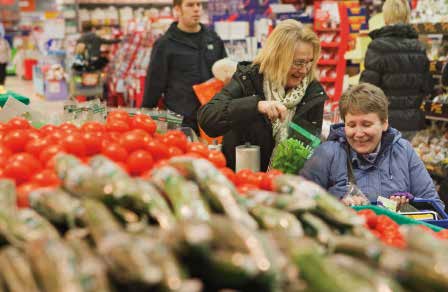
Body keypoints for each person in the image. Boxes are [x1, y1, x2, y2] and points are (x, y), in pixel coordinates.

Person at [198, 19, 327, 171]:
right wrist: (256, 105)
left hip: (287, 187)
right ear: (277, 58)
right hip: (244, 182)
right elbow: (208, 118)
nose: (305, 70)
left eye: (309, 62)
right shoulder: (248, 79)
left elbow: (309, 151)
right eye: (298, 63)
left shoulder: (313, 93)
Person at [300, 83, 443, 209]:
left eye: (366, 124)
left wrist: (409, 205)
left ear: (384, 123)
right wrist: (336, 205)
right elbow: (301, 200)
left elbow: (433, 206)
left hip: (393, 235)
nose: (359, 133)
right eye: (351, 125)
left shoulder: (403, 151)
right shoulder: (328, 154)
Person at [142, 0, 227, 134]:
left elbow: (224, 74)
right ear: (177, 9)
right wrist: (145, 116)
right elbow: (154, 84)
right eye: (190, 5)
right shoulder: (165, 44)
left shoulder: (213, 39)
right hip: (180, 121)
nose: (196, 9)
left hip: (211, 118)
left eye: (199, 4)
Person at [360, 0, 432, 141]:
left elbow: (367, 90)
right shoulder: (419, 47)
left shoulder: (377, 46)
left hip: (384, 123)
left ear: (385, 17)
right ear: (407, 16)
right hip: (413, 124)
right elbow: (427, 86)